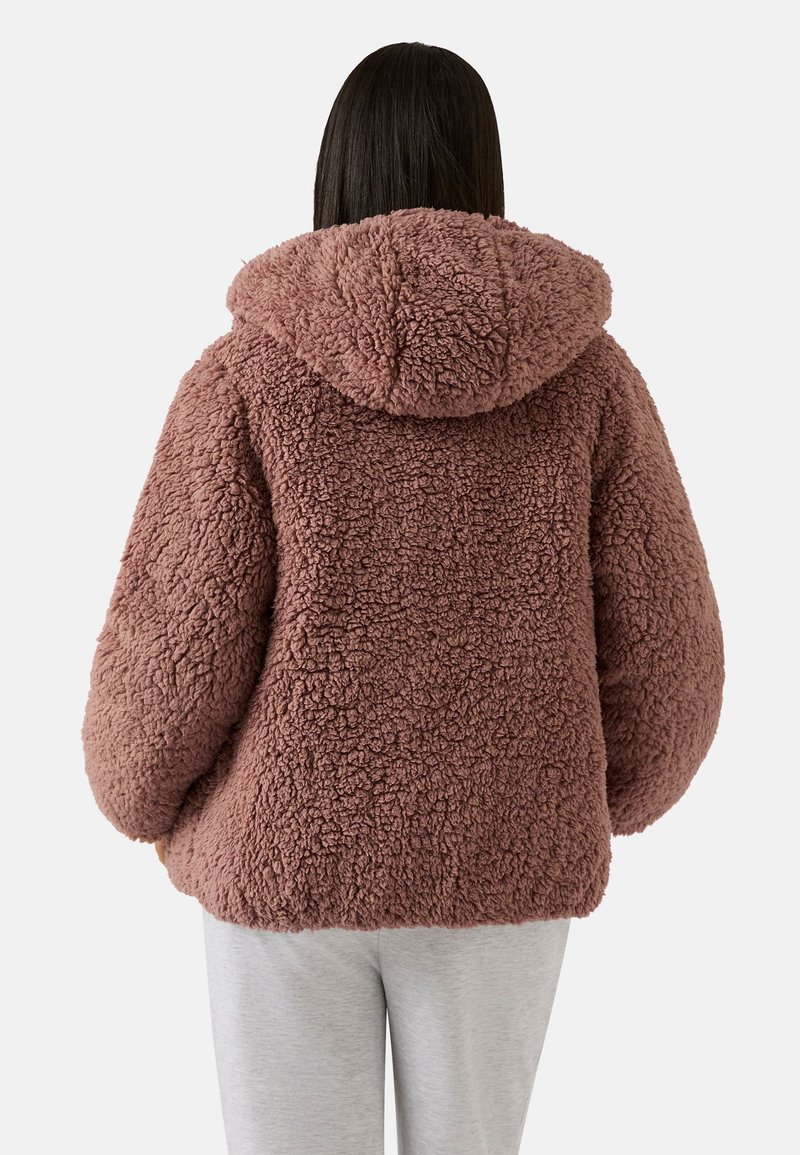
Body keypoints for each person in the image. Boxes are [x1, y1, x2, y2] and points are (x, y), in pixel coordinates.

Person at [81, 40, 725, 1155]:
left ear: (334, 170)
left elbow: (177, 629)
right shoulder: (591, 381)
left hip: (284, 855)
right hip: (504, 856)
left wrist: (138, 792)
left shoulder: (245, 377)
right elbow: (668, 641)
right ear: (487, 168)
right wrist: (599, 794)